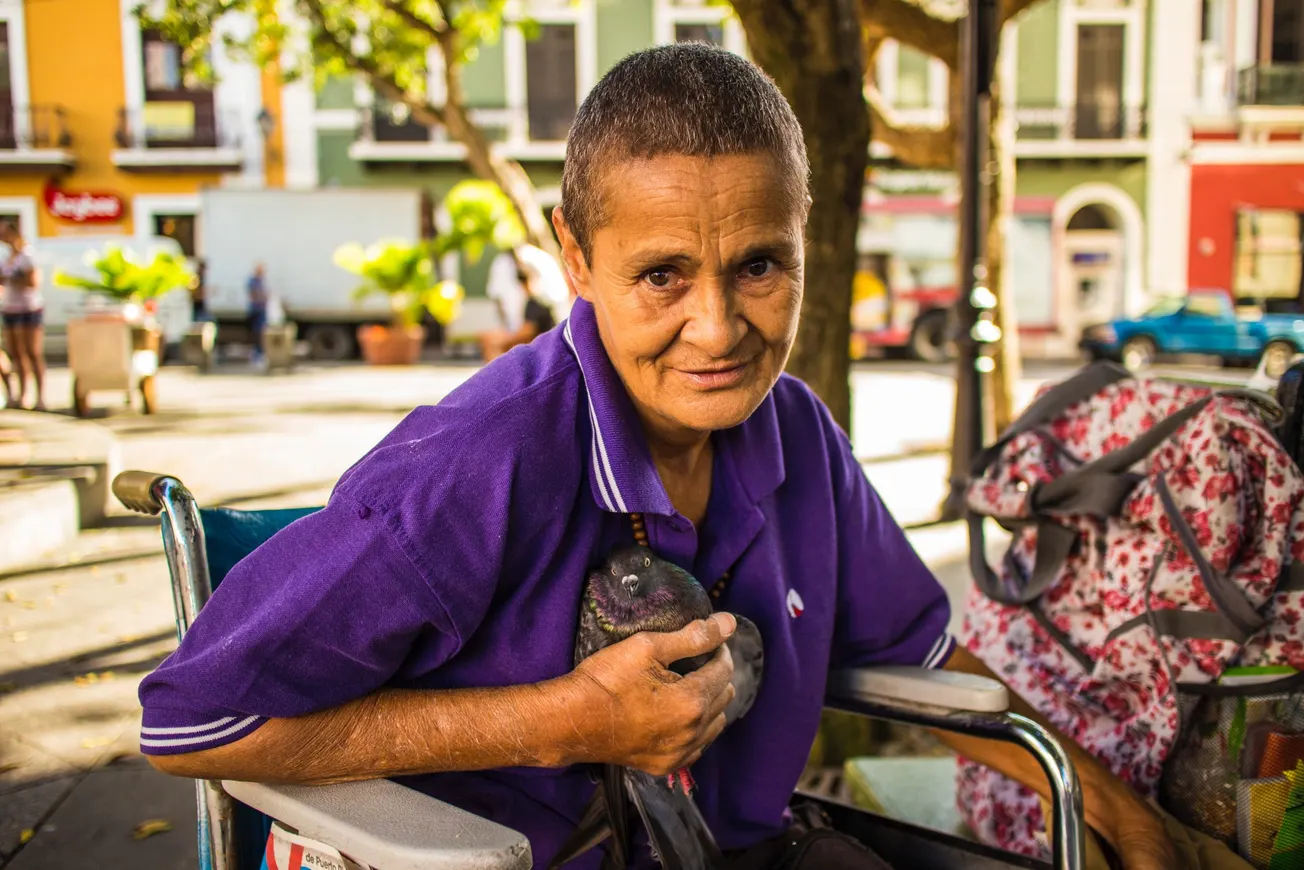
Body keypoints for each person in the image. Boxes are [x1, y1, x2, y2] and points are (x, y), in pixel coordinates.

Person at [137, 46, 1176, 870]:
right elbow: (194, 722)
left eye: (759, 265)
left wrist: (1118, 815)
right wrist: (560, 720)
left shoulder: (798, 436)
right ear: (576, 259)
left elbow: (921, 653)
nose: (718, 330)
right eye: (662, 277)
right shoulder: (475, 467)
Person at [0, 222, 44, 411]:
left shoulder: (27, 255)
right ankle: (21, 394)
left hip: (28, 308)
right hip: (10, 308)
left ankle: (40, 397)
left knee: (32, 352)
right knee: (15, 353)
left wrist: (14, 280)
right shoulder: (5, 256)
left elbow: (33, 282)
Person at [246, 263, 268, 366]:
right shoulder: (252, 281)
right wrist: (263, 297)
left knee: (262, 332)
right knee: (257, 333)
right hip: (256, 310)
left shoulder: (261, 281)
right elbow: (253, 294)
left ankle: (260, 354)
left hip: (262, 310)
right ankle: (256, 355)